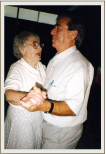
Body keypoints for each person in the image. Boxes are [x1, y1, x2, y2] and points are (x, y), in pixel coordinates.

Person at [20, 14, 94, 149]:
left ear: (73, 34)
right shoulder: (56, 59)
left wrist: (41, 106)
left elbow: (72, 108)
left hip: (61, 132)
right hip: (47, 124)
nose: (52, 32)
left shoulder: (78, 65)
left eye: (58, 28)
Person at [4, 31, 46, 149]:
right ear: (22, 50)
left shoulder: (42, 67)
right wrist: (30, 96)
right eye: (34, 44)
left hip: (37, 118)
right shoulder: (17, 68)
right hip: (22, 121)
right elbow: (9, 95)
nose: (40, 48)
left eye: (40, 45)